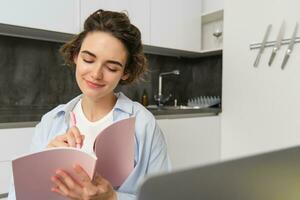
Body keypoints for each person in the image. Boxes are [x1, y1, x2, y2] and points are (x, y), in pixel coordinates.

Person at [8, 9, 171, 200]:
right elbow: (17, 197)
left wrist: (112, 198)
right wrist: (42, 171)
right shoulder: (51, 122)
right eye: (88, 59)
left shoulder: (143, 124)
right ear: (76, 56)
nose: (96, 74)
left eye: (111, 67)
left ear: (125, 72)